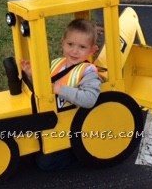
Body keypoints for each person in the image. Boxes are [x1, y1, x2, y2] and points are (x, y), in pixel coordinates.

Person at [21, 18, 102, 171]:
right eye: (70, 44)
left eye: (82, 47)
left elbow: (90, 99)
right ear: (63, 43)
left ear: (92, 50)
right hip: (50, 119)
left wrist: (60, 89)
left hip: (69, 127)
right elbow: (45, 87)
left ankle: (79, 154)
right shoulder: (57, 63)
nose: (75, 51)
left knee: (44, 163)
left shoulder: (88, 72)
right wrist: (32, 76)